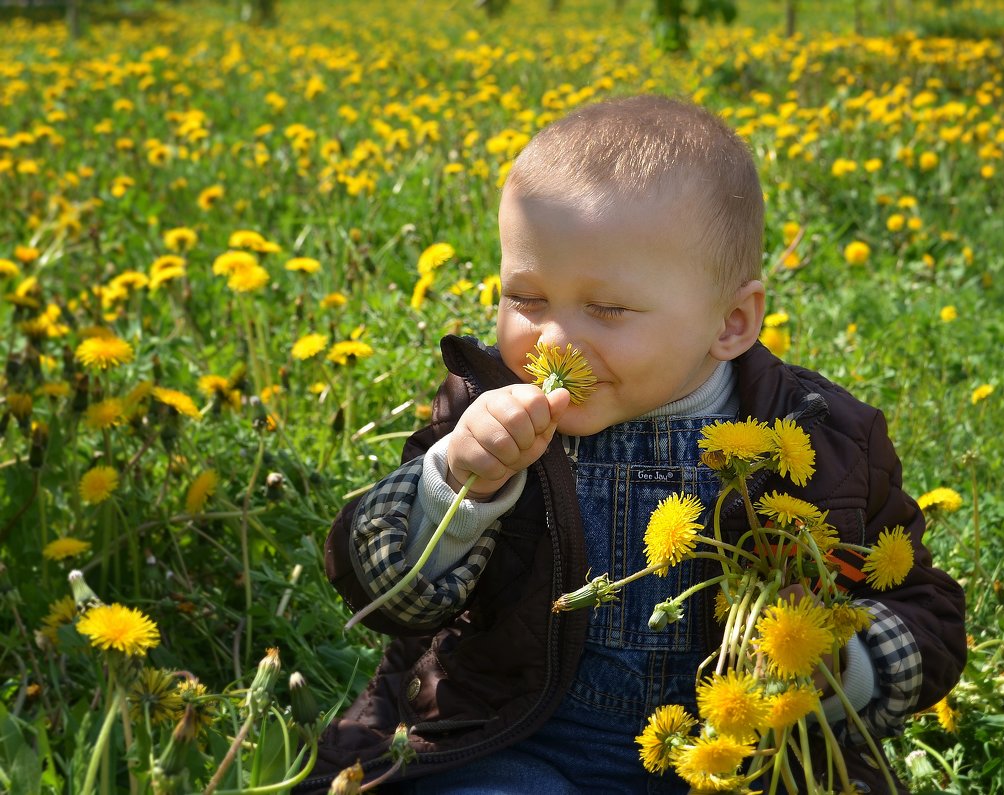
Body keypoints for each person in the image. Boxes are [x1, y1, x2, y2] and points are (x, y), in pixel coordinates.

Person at [302, 95, 966, 794]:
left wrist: (840, 664)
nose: (551, 340)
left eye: (609, 309)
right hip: (510, 742)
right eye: (526, 299)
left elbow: (927, 611)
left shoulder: (816, 434)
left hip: (740, 759)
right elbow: (378, 593)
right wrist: (455, 485)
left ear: (731, 322)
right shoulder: (481, 410)